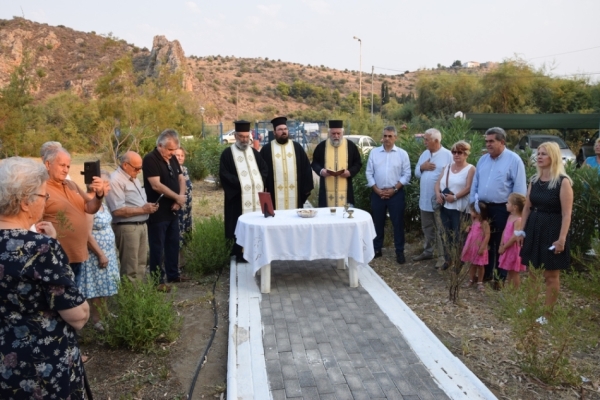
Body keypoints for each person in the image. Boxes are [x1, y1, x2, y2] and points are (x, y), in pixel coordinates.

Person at [0, 157, 90, 399]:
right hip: (41, 366)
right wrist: (54, 245)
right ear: (24, 203)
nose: (45, 202)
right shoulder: (40, 248)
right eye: (42, 196)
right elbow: (78, 315)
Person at [519, 142, 573, 316]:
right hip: (534, 227)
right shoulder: (534, 180)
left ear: (553, 157)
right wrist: (521, 230)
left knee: (550, 275)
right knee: (533, 272)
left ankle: (547, 314)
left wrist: (562, 239)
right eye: (538, 154)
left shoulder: (563, 182)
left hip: (552, 229)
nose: (539, 157)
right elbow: (527, 207)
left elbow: (566, 214)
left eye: (544, 154)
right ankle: (530, 307)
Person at [470, 127, 527, 282]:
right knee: (485, 241)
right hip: (483, 208)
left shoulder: (514, 160)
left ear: (502, 142)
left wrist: (516, 214)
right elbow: (475, 183)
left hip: (503, 208)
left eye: (491, 141)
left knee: (501, 242)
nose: (488, 144)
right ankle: (486, 274)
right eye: (486, 141)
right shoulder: (483, 160)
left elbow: (519, 188)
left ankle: (500, 277)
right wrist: (473, 205)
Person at [42, 147, 106, 278]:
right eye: (62, 165)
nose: (66, 170)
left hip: (77, 255)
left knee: (74, 294)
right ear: (48, 164)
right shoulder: (40, 188)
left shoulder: (71, 184)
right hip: (57, 257)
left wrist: (99, 195)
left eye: (68, 166)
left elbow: (90, 208)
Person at [143, 129, 188, 285]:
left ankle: (173, 273)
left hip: (174, 209)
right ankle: (157, 280)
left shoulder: (172, 158)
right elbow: (156, 185)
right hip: (158, 211)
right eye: (169, 150)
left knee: (173, 243)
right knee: (157, 247)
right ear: (160, 145)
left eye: (174, 150)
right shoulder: (150, 159)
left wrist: (179, 199)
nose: (172, 153)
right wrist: (176, 197)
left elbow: (181, 179)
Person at [106, 151, 158, 282]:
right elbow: (117, 210)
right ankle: (130, 298)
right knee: (130, 266)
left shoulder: (132, 175)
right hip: (127, 227)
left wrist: (147, 207)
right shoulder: (115, 180)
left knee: (141, 263)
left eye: (141, 168)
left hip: (141, 224)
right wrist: (142, 209)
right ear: (125, 165)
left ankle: (138, 295)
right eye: (137, 168)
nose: (139, 171)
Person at [220, 120, 268, 262]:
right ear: (235, 136)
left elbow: (264, 170)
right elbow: (224, 174)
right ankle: (239, 253)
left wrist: (258, 182)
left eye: (247, 137)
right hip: (237, 199)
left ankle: (257, 250)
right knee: (237, 223)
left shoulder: (254, 153)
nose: (244, 140)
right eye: (241, 136)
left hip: (255, 199)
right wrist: (241, 183)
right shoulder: (227, 154)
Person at [77, 171, 120, 331]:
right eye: (106, 184)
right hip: (96, 254)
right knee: (97, 288)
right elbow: (87, 234)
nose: (108, 188)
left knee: (105, 286)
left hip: (107, 251)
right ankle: (97, 319)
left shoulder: (102, 202)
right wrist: (100, 253)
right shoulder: (88, 202)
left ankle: (105, 313)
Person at [365, 126, 412, 264]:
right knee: (377, 222)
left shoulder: (402, 154)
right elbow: (369, 172)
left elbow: (406, 174)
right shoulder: (374, 153)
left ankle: (399, 251)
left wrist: (394, 190)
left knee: (397, 223)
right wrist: (376, 189)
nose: (387, 139)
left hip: (396, 194)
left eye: (390, 136)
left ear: (395, 138)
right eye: (385, 136)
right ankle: (377, 249)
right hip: (377, 193)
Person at [434, 140, 475, 270]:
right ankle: (448, 259)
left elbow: (469, 187)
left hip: (460, 208)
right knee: (445, 234)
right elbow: (437, 183)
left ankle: (459, 262)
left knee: (459, 236)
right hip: (445, 206)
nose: (456, 155)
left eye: (460, 152)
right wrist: (437, 194)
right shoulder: (447, 167)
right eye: (454, 152)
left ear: (466, 154)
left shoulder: (470, 169)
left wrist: (455, 196)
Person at [413, 128, 453, 262]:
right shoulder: (424, 154)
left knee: (441, 228)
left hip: (439, 199)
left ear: (436, 140)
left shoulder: (448, 155)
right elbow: (417, 174)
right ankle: (428, 251)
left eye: (426, 139)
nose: (424, 142)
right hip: (424, 199)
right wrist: (421, 167)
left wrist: (444, 194)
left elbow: (453, 176)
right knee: (427, 227)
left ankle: (442, 256)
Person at [260, 116, 313, 209]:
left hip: (296, 195)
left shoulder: (297, 148)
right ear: (274, 132)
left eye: (285, 129)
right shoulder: (266, 149)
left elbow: (306, 169)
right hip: (273, 195)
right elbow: (261, 172)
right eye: (280, 129)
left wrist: (305, 191)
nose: (283, 132)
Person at [311, 120, 362, 207]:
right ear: (329, 133)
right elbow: (314, 163)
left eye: (338, 133)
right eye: (333, 133)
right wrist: (321, 171)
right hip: (326, 190)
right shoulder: (322, 146)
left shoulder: (350, 146)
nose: (336, 136)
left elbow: (357, 163)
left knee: (345, 215)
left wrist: (350, 172)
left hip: (346, 188)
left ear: (343, 133)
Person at [498, 193, 527, 288]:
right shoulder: (510, 217)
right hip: (506, 247)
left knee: (514, 272)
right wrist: (501, 244)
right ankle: (510, 291)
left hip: (513, 249)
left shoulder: (518, 220)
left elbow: (515, 237)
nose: (506, 204)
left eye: (508, 203)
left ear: (514, 207)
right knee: (509, 270)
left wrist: (505, 247)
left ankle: (514, 293)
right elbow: (505, 231)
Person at [462, 201, 490, 292]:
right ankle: (471, 279)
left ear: (478, 213)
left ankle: (480, 282)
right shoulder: (474, 220)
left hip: (479, 247)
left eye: (472, 211)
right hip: (472, 246)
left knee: (481, 266)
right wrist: (469, 228)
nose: (470, 212)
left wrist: (482, 247)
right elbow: (472, 229)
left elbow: (487, 235)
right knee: (472, 264)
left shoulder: (484, 223)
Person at [174, 147, 193, 248]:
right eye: (177, 155)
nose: (180, 158)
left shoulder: (185, 169)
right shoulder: (172, 170)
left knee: (187, 229)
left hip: (187, 208)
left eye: (182, 155)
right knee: (178, 230)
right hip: (178, 206)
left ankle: (185, 256)